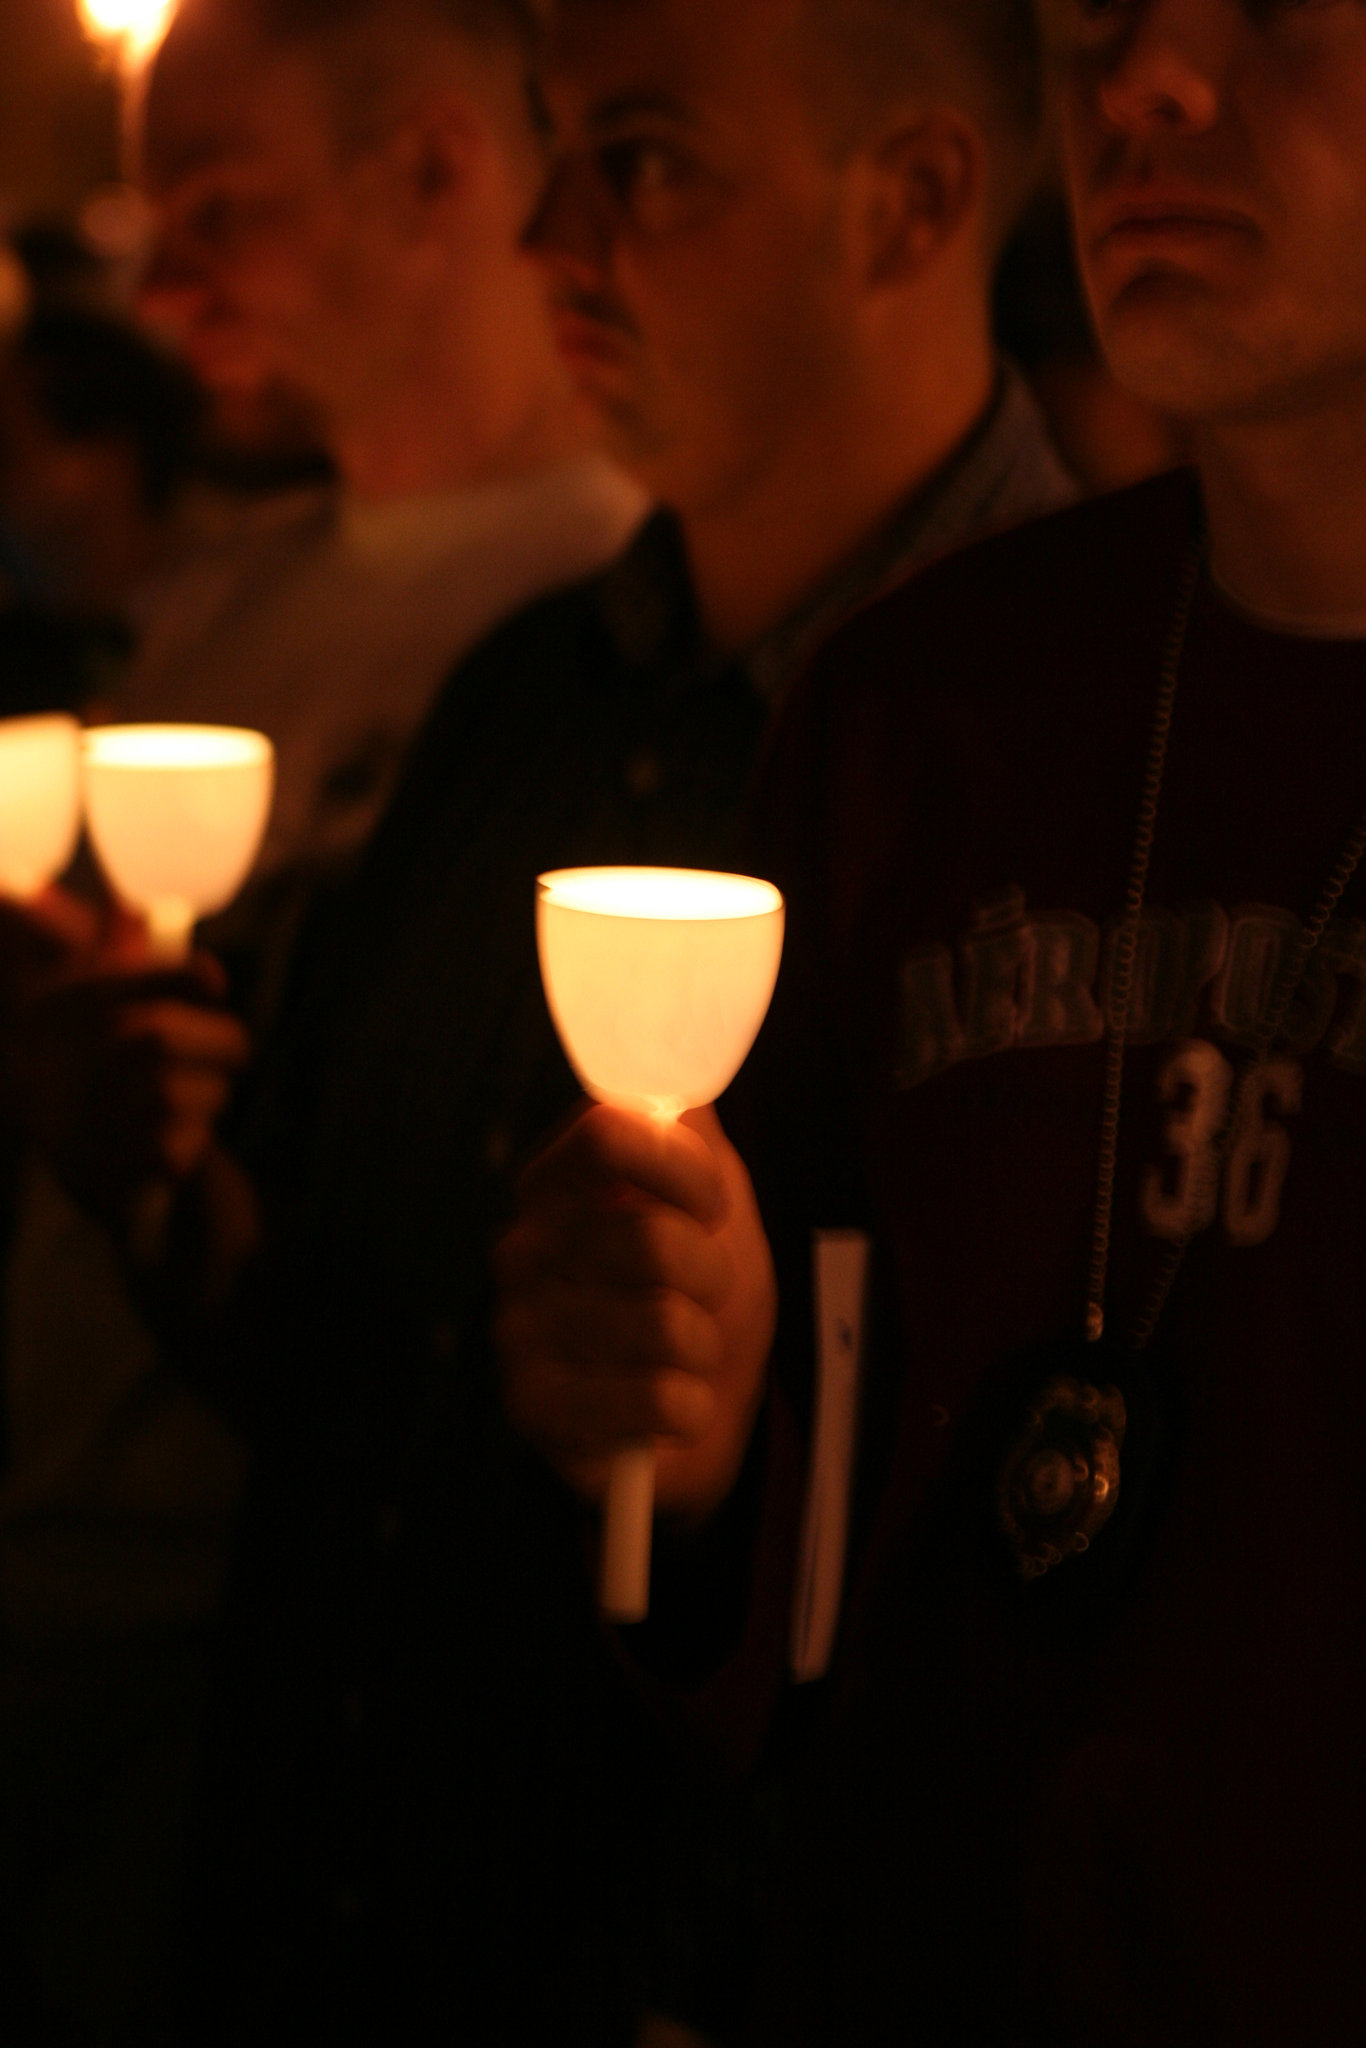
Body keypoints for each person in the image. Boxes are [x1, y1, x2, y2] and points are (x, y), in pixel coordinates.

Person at [13, 0, 1070, 2039]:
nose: (548, 241)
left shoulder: (1074, 752)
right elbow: (323, 1339)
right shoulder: (529, 695)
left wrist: (715, 1459)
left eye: (643, 165)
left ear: (913, 200)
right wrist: (146, 1178)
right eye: (555, 154)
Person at [499, 0, 1366, 2040]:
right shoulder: (926, 713)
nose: (1139, 81)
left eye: (1260, 2)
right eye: (1088, 13)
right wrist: (689, 1416)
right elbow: (795, 1582)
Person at [0, 4, 643, 2042]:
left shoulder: (600, 640)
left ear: (436, 171)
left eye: (219, 208)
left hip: (258, 1626)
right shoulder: (219, 598)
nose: (161, 273)